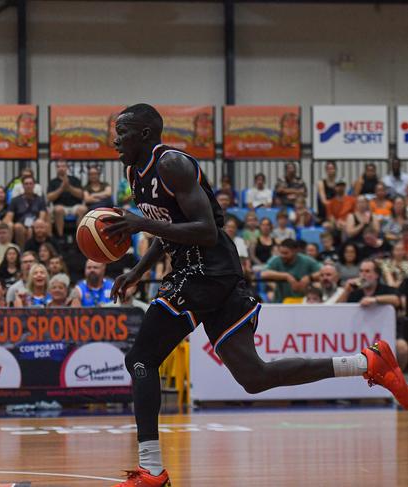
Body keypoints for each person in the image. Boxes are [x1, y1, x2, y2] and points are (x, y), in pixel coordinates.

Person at [104, 104, 408, 487]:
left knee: (141, 359)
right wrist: (137, 271)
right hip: (206, 272)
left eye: (123, 131)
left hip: (205, 269)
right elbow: (169, 228)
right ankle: (366, 363)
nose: (116, 140)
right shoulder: (134, 171)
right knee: (254, 376)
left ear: (146, 134)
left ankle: (152, 471)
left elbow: (206, 230)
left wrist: (140, 224)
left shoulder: (171, 165)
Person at [338, 260, 407, 371]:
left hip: (387, 331)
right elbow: (337, 309)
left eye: (367, 271)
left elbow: (397, 300)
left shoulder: (387, 289)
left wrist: (375, 300)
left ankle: (397, 376)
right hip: (359, 333)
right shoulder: (354, 293)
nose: (363, 275)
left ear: (376, 275)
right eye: (361, 271)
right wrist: (346, 291)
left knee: (402, 348)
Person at [261, 239, 322, 303]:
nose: (282, 255)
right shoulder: (277, 259)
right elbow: (263, 274)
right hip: (280, 301)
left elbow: (324, 271)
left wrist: (309, 277)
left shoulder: (306, 260)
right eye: (281, 253)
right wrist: (286, 276)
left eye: (286, 253)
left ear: (295, 251)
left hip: (302, 301)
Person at [5, 175, 48, 248]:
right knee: (18, 227)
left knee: (32, 229)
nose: (28, 186)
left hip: (35, 224)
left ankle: (31, 250)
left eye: (31, 184)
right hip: (19, 224)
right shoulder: (15, 200)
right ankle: (21, 251)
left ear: (34, 185)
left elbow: (42, 217)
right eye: (26, 184)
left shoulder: (40, 200)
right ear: (22, 186)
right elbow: (9, 217)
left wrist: (34, 225)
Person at [47, 160, 86, 239]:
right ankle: (61, 238)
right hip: (60, 207)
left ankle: (79, 237)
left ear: (67, 167)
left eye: (63, 166)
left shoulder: (75, 179)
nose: (61, 168)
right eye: (58, 166)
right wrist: (61, 188)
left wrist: (69, 187)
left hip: (75, 207)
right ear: (56, 168)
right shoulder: (52, 182)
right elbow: (49, 198)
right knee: (58, 210)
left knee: (83, 209)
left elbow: (81, 195)